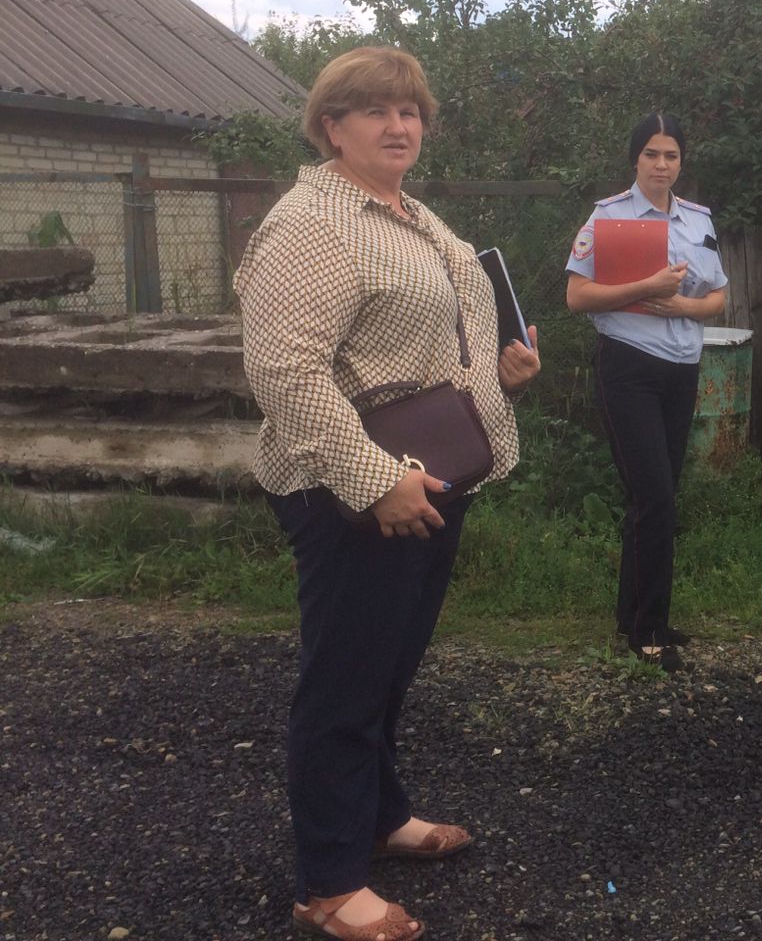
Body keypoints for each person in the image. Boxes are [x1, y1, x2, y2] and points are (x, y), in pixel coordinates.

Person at [236, 47, 540, 941]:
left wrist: (499, 374)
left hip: (432, 476)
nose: (399, 126)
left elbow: (424, 342)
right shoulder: (311, 224)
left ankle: (379, 817)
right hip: (349, 491)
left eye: (410, 111)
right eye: (376, 110)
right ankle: (329, 884)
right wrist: (375, 480)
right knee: (344, 682)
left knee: (388, 668)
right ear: (332, 127)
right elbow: (285, 371)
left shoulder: (411, 215)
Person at [565, 112, 728, 674]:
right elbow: (577, 297)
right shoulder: (608, 218)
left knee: (657, 497)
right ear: (635, 158)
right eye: (652, 154)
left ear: (682, 161)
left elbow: (718, 297)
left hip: (681, 369)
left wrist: (683, 305)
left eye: (671, 155)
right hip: (629, 367)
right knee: (655, 496)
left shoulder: (698, 219)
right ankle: (649, 630)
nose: (662, 165)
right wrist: (647, 287)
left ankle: (634, 616)